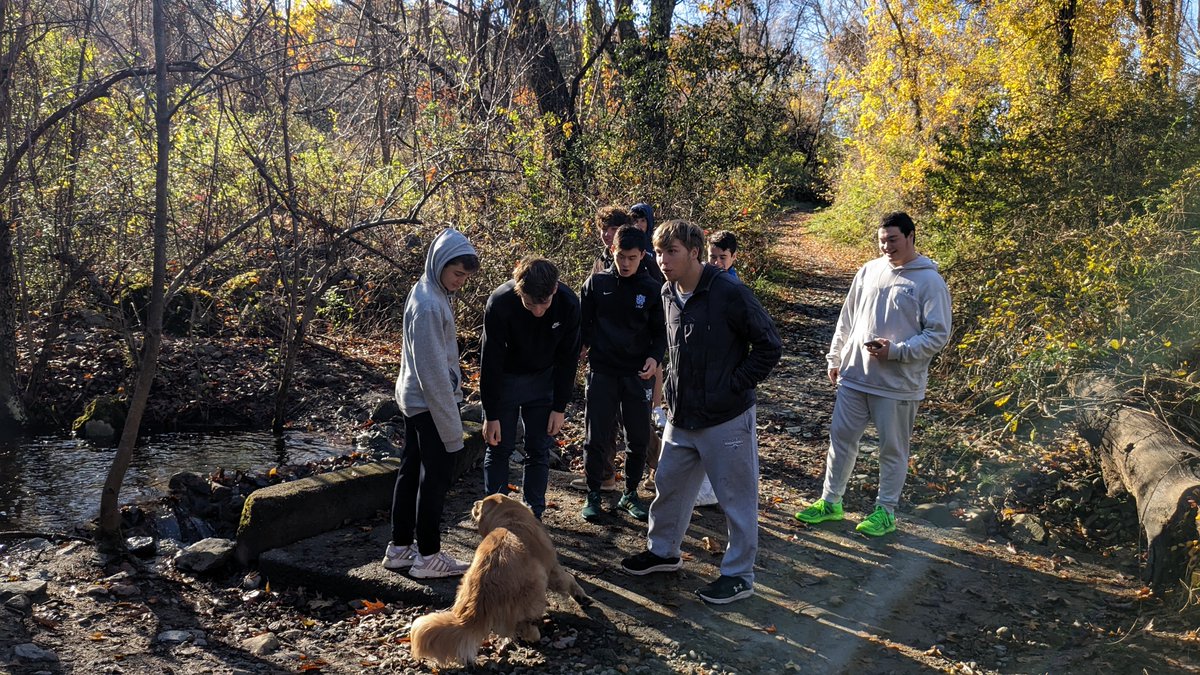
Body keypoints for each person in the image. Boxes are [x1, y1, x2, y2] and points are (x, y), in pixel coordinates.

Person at [620, 220, 782, 605]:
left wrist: (732, 385)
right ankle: (663, 553)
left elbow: (769, 346)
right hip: (681, 415)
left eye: (670, 251)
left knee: (736, 500)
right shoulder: (667, 292)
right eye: (658, 252)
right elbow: (672, 349)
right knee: (670, 488)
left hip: (725, 418)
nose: (662, 260)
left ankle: (739, 575)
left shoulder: (729, 292)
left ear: (695, 252)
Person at [795, 211, 951, 536]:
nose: (886, 247)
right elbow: (847, 317)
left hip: (897, 384)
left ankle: (885, 512)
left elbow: (938, 334)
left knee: (892, 450)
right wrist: (835, 357)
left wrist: (896, 351)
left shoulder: (929, 281)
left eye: (892, 240)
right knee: (841, 440)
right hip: (854, 375)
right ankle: (830, 501)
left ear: (910, 236)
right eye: (882, 240)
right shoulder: (868, 271)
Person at [383, 229, 479, 579]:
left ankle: (399, 547)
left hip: (414, 398)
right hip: (428, 402)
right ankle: (428, 555)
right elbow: (433, 372)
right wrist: (451, 425)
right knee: (434, 478)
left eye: (465, 277)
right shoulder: (428, 304)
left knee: (410, 472)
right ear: (439, 264)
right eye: (457, 274)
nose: (460, 282)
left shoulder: (428, 290)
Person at [481, 256, 581, 519]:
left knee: (538, 447)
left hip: (544, 380)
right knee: (499, 447)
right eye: (530, 303)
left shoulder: (569, 304)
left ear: (555, 289)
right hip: (506, 379)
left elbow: (568, 360)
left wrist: (559, 407)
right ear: (518, 290)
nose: (538, 311)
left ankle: (533, 515)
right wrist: (490, 414)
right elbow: (489, 360)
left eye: (544, 303)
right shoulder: (500, 302)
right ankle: (495, 516)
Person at [579, 225, 667, 523]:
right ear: (612, 252)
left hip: (637, 373)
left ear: (643, 255)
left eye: (632, 257)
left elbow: (661, 334)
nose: (626, 263)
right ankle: (593, 492)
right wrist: (581, 349)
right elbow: (583, 326)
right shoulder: (596, 283)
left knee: (638, 437)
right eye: (620, 257)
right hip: (603, 370)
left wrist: (655, 359)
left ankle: (630, 492)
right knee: (597, 435)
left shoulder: (652, 288)